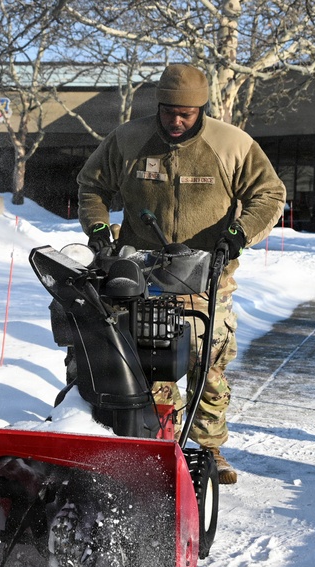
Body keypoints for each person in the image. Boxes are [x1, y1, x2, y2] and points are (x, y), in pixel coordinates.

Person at [76, 63, 286, 484]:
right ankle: (159, 445)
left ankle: (210, 450)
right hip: (144, 275)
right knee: (152, 364)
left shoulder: (231, 144)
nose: (176, 120)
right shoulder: (129, 140)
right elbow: (92, 186)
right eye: (169, 111)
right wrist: (98, 226)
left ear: (201, 109)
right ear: (158, 105)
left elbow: (270, 194)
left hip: (207, 275)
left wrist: (238, 234)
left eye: (186, 114)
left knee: (208, 363)